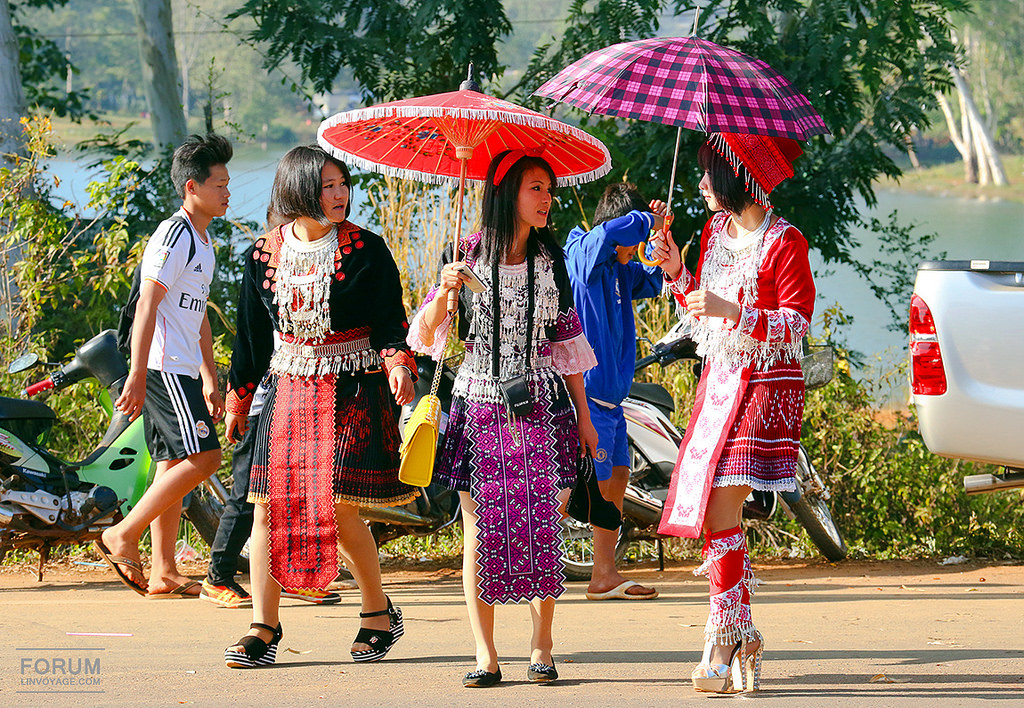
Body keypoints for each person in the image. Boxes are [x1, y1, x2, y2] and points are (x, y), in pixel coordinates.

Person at [408, 149, 599, 688]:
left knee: (544, 525)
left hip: (540, 401)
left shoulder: (550, 259)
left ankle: (542, 644)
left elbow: (567, 340)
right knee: (478, 530)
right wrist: (446, 291)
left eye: (549, 189)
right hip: (476, 403)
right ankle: (485, 653)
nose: (547, 199)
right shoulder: (463, 257)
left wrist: (585, 417)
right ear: (507, 193)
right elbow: (424, 335)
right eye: (536, 188)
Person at [222, 145, 417, 668]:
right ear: (299, 190)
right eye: (327, 186)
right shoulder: (262, 254)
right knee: (266, 504)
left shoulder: (366, 249)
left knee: (335, 504)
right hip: (288, 389)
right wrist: (237, 398)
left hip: (353, 386)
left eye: (342, 184)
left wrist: (398, 363)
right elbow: (251, 336)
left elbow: (389, 320)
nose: (339, 194)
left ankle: (377, 612)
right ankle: (263, 626)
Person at [654, 132, 814, 693]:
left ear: (736, 176)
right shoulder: (717, 232)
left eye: (709, 173)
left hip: (766, 389)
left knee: (720, 506)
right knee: (714, 514)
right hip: (720, 383)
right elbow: (702, 315)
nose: (701, 184)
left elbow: (796, 325)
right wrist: (678, 274)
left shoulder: (785, 242)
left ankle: (722, 640)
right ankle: (738, 633)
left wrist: (734, 309)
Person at [94, 133, 231, 598]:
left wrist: (210, 377)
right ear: (192, 187)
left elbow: (199, 316)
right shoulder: (174, 235)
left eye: (228, 183)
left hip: (183, 367)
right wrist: (135, 374)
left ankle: (164, 571)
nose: (227, 192)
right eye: (219, 184)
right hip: (161, 365)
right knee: (206, 457)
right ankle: (122, 534)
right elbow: (148, 306)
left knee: (173, 460)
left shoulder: (204, 242)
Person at [564, 182, 678, 601]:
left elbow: (655, 279)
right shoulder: (584, 255)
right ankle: (523, 561)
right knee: (573, 489)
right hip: (586, 398)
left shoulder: (618, 267)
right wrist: (646, 221)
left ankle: (603, 575)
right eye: (632, 240)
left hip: (612, 401)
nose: (635, 248)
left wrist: (662, 235)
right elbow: (610, 235)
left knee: (615, 480)